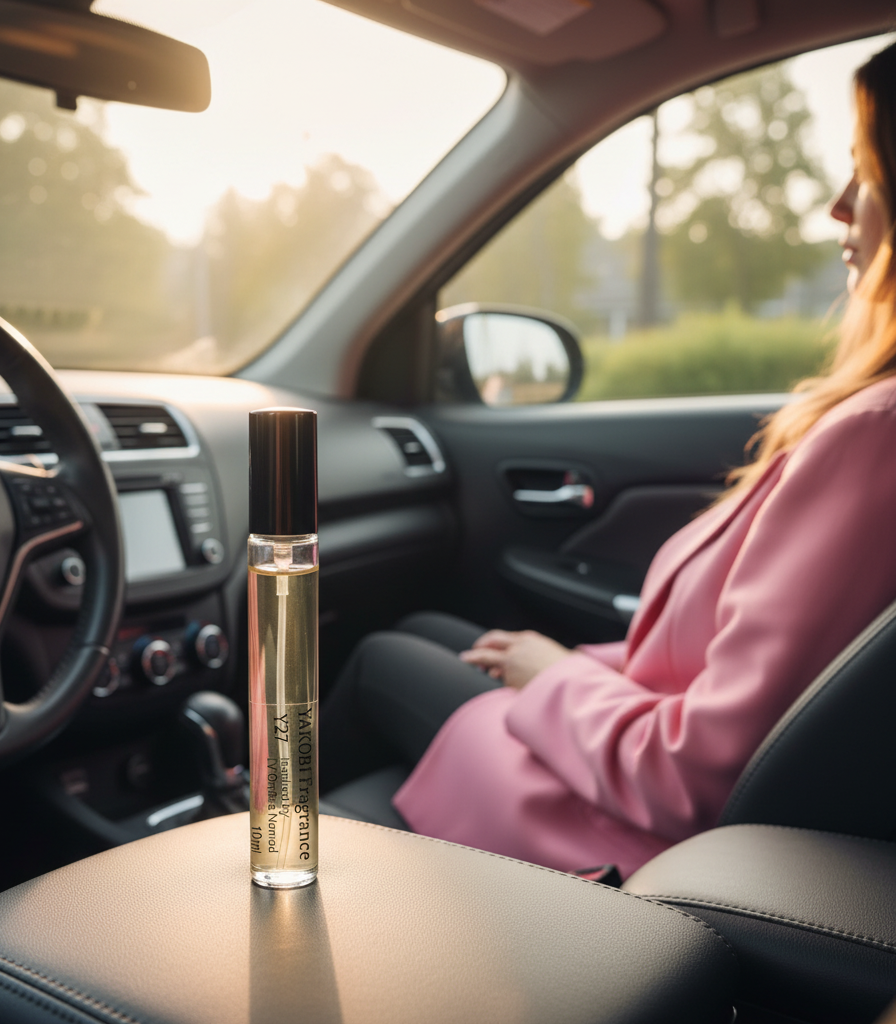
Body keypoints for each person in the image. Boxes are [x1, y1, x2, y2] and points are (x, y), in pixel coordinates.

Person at [319, 41, 896, 878]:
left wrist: (552, 676)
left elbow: (702, 774)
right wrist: (561, 669)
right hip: (663, 778)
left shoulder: (875, 435)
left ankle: (244, 851)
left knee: (381, 657)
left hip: (647, 841)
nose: (840, 207)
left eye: (866, 172)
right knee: (428, 633)